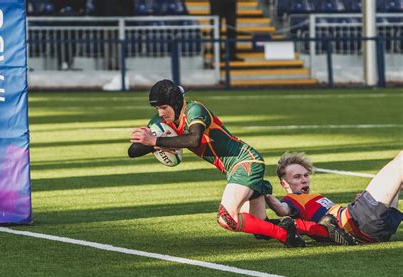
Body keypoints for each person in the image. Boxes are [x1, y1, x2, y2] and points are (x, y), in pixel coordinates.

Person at [128, 79, 305, 247]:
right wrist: (147, 139)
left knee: (226, 217)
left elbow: (194, 139)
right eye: (157, 108)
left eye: (163, 107)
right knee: (262, 229)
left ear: (176, 103)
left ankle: (287, 235)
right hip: (236, 168)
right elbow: (133, 151)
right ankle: (311, 227)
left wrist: (155, 141)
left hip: (245, 161)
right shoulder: (166, 122)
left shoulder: (194, 110)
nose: (160, 113)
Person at [266, 152, 402, 245]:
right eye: (297, 177)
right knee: (398, 164)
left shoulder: (312, 197)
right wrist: (265, 193)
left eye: (306, 175)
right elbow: (282, 210)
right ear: (284, 183)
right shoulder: (292, 199)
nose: (304, 180)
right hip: (359, 223)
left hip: (376, 228)